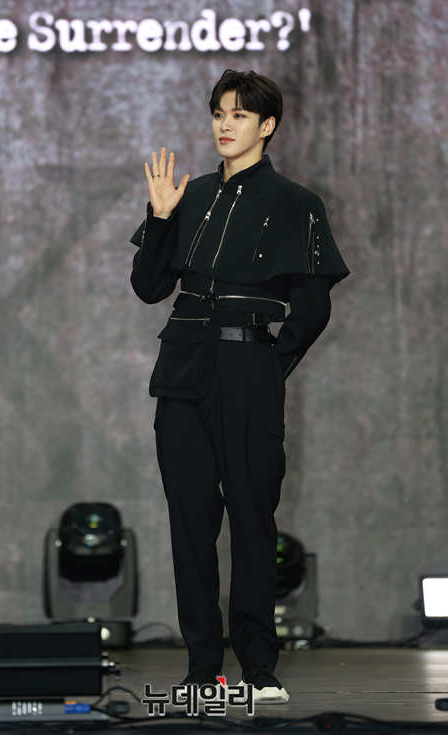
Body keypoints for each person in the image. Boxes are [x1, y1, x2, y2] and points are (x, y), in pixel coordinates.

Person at [130, 69, 349, 703]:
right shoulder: (189, 194)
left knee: (252, 519)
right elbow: (148, 287)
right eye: (219, 113)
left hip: (247, 369)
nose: (225, 125)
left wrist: (267, 367)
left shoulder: (296, 203)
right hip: (181, 371)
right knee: (189, 524)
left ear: (267, 125)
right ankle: (203, 670)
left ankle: (258, 666)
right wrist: (160, 217)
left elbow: (312, 309)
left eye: (240, 115)